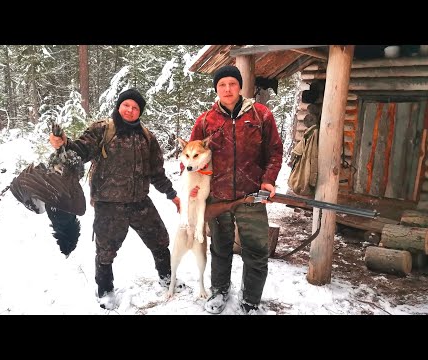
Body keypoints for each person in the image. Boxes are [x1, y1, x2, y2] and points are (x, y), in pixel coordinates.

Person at [49, 88, 180, 310]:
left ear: (140, 112)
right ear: (119, 106)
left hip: (140, 201)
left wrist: (171, 194)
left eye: (135, 107)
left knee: (160, 240)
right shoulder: (103, 129)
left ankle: (167, 278)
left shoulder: (147, 137)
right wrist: (64, 143)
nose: (130, 110)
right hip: (108, 205)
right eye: (126, 105)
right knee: (106, 251)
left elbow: (156, 172)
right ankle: (105, 290)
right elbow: (81, 150)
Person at [188, 65, 283, 314]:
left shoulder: (261, 115)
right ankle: (219, 291)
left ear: (240, 86)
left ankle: (251, 300)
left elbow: (274, 152)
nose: (227, 89)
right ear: (216, 89)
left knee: (257, 250)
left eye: (232, 83)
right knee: (220, 247)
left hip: (251, 196)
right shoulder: (205, 121)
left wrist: (268, 180)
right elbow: (192, 156)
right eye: (222, 85)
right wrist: (195, 185)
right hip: (217, 196)